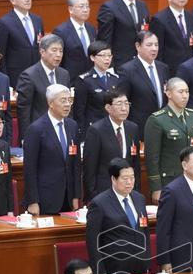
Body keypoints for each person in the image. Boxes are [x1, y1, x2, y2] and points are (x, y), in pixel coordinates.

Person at [85, 158, 151, 274]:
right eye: (125, 179)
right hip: (115, 268)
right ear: (113, 179)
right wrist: (100, 271)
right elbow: (92, 240)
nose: (130, 182)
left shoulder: (139, 198)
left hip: (140, 266)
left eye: (132, 178)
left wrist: (147, 261)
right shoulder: (99, 203)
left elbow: (145, 231)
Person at [22, 84, 81, 215]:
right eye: (63, 100)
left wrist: (76, 195)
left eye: (69, 100)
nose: (67, 104)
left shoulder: (72, 126)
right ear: (51, 103)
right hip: (45, 197)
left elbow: (75, 164)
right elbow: (29, 168)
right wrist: (33, 201)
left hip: (68, 196)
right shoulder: (36, 129)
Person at [156, 146, 193, 272]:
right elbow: (163, 229)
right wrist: (165, 260)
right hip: (181, 258)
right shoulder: (172, 191)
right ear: (184, 165)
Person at [144, 77, 193, 200]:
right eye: (180, 92)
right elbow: (152, 158)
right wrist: (156, 188)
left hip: (191, 179)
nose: (185, 96)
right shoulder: (157, 120)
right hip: (169, 180)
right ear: (168, 93)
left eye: (187, 92)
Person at [82, 89, 139, 200]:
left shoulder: (133, 128)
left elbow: (135, 163)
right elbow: (90, 168)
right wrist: (92, 196)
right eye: (119, 104)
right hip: (104, 191)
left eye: (126, 103)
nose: (124, 108)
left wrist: (135, 191)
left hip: (128, 191)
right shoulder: (96, 130)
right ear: (108, 108)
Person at [16, 34, 70, 139]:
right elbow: (24, 111)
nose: (58, 55)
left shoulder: (64, 74)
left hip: (61, 130)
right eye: (54, 50)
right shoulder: (28, 75)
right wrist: (26, 137)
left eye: (61, 51)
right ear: (42, 52)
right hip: (39, 132)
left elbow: (67, 103)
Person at [98, 0, 150, 68]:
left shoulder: (142, 5)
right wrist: (109, 67)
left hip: (141, 63)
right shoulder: (109, 8)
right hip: (120, 65)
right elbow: (104, 42)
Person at [0, 0, 44, 87]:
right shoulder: (4, 23)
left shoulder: (37, 20)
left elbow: (40, 46)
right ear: (13, 1)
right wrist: (5, 81)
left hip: (37, 75)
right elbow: (0, 55)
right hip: (15, 78)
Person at [117, 31, 169, 131]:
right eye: (149, 45)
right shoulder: (127, 70)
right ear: (138, 46)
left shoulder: (163, 68)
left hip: (163, 125)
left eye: (156, 45)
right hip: (139, 126)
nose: (154, 48)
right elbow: (122, 101)